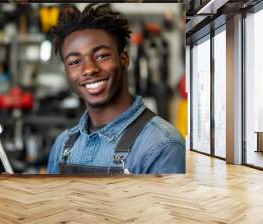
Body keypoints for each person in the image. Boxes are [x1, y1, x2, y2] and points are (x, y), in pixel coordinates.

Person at [47, 3, 185, 175]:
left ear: (124, 59)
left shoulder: (162, 145)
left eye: (101, 56)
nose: (89, 69)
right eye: (75, 62)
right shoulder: (63, 145)